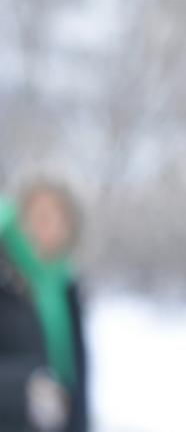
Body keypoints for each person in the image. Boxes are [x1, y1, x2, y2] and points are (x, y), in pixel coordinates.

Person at [0, 179, 88, 432]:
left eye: (60, 218)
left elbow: (76, 374)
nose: (50, 228)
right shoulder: (6, 281)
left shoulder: (65, 285)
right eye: (41, 217)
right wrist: (25, 390)